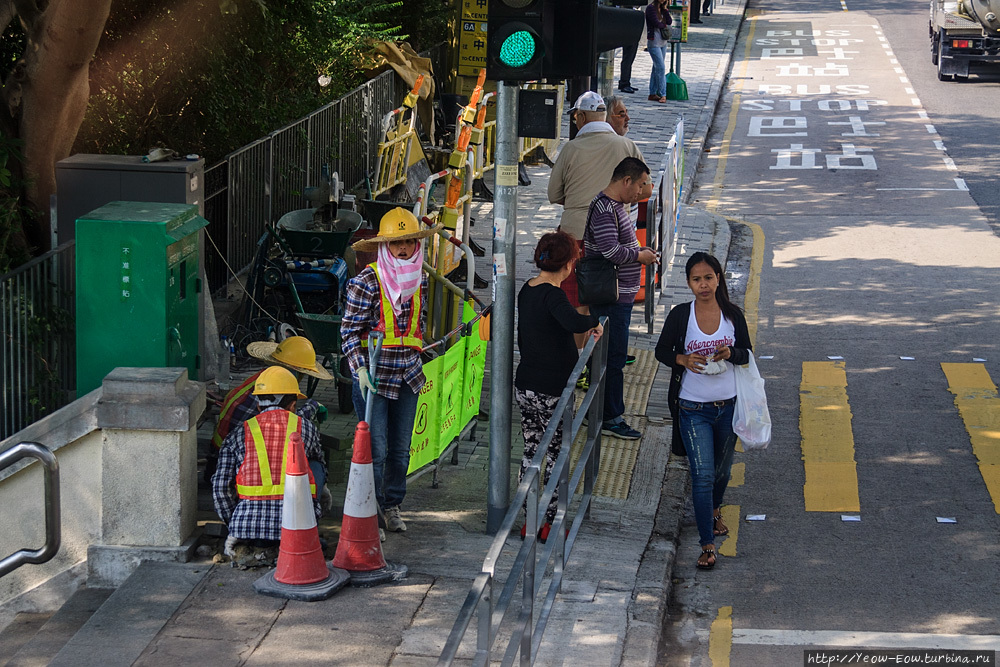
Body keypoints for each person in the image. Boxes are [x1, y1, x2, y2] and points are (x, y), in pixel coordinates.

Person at [341, 207, 438, 535]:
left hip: (408, 375)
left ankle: (392, 504)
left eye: (409, 241)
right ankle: (370, 509)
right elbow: (349, 333)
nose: (403, 247)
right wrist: (360, 370)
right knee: (376, 447)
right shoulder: (366, 282)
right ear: (384, 245)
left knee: (399, 448)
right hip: (374, 378)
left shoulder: (420, 279)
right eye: (396, 241)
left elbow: (418, 323)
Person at [653, 252, 752, 570]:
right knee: (703, 474)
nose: (703, 284)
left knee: (722, 472)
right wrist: (682, 359)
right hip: (692, 407)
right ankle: (707, 545)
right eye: (696, 279)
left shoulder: (733, 315)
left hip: (729, 406)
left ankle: (713, 509)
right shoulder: (681, 315)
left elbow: (747, 354)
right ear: (688, 283)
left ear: (718, 278)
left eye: (708, 277)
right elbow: (661, 351)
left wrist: (730, 352)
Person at [515, 231, 603, 541]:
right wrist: (594, 321)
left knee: (530, 452)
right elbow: (572, 321)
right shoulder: (553, 295)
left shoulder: (526, 290)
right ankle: (548, 522)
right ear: (567, 265)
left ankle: (527, 518)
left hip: (525, 384)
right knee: (554, 455)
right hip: (552, 389)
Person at [548, 91, 644, 323]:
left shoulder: (571, 149)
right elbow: (646, 188)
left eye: (575, 118)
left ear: (581, 117)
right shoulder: (626, 145)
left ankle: (580, 355)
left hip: (576, 235)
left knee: (577, 298)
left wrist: (579, 198)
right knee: (609, 297)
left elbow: (554, 194)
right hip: (615, 235)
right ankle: (603, 352)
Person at [583, 157, 658, 440]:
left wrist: (640, 251)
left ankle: (600, 412)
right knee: (612, 358)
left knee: (609, 356)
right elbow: (610, 251)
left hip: (619, 295)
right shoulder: (605, 208)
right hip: (611, 297)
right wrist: (640, 255)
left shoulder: (614, 206)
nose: (641, 191)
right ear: (626, 181)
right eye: (640, 184)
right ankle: (611, 417)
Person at [212, 366, 326, 549]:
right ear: (293, 406)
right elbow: (318, 464)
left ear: (258, 405)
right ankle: (310, 524)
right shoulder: (305, 428)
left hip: (246, 530)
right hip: (297, 527)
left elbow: (220, 487)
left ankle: (253, 534)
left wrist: (235, 523)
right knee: (317, 465)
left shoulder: (238, 433)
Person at [207, 335, 331, 496]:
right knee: (314, 465)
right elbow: (281, 422)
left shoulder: (263, 379)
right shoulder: (276, 389)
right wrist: (311, 408)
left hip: (222, 452)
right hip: (237, 457)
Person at [646, 0, 672, 103]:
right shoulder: (650, 8)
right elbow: (656, 23)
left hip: (663, 43)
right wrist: (664, 25)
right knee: (661, 68)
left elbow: (669, 21)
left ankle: (652, 93)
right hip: (654, 43)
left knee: (656, 68)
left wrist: (665, 9)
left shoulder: (663, 8)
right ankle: (663, 94)